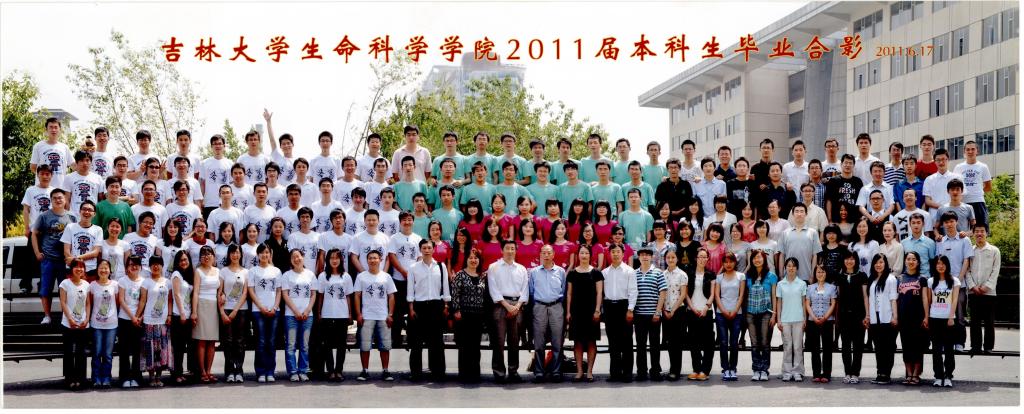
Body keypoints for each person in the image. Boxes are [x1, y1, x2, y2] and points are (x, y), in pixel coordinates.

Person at [406, 239, 451, 382]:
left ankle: (438, 372)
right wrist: (411, 308)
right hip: (419, 306)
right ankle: (416, 373)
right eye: (424, 248)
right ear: (420, 249)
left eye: (429, 247)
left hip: (436, 306)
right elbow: (410, 289)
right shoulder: (413, 267)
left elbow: (445, 287)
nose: (427, 250)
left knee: (436, 342)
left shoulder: (441, 266)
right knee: (416, 342)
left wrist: (446, 305)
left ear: (433, 249)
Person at [354, 249, 398, 382]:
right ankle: (365, 371)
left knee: (385, 345)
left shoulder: (386, 277)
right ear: (367, 260)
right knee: (365, 345)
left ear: (380, 260)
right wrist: (358, 314)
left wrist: (390, 314)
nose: (373, 260)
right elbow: (357, 296)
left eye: (375, 258)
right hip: (367, 316)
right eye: (370, 258)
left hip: (383, 316)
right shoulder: (361, 276)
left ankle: (385, 370)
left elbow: (391, 296)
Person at [528, 245, 568, 383]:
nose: (546, 255)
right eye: (543, 253)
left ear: (553, 254)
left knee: (557, 341)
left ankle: (556, 371)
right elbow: (531, 291)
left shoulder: (561, 271)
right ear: (540, 255)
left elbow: (564, 290)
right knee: (539, 342)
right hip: (539, 307)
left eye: (549, 252)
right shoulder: (534, 272)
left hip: (556, 306)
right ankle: (539, 372)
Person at [566, 244, 604, 382]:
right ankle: (579, 371)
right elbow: (569, 294)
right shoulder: (572, 273)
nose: (584, 255)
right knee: (578, 342)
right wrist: (568, 312)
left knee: (591, 341)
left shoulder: (596, 273)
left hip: (591, 311)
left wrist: (597, 310)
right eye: (581, 253)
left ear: (590, 255)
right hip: (576, 311)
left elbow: (599, 293)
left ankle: (589, 371)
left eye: (586, 253)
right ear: (578, 255)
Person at [315, 249, 354, 382]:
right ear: (327, 260)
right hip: (327, 314)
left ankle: (339, 370)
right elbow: (320, 296)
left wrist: (350, 313)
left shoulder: (346, 276)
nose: (334, 260)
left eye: (337, 258)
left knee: (341, 345)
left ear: (341, 260)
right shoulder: (323, 276)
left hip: (342, 314)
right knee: (327, 344)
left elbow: (348, 296)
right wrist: (319, 312)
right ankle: (331, 371)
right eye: (331, 258)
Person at [602, 243, 637, 382]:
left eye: (618, 252)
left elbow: (633, 291)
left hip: (624, 306)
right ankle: (615, 372)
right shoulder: (605, 272)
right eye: (613, 252)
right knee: (613, 341)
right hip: (609, 307)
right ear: (609, 254)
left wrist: (630, 309)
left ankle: (627, 373)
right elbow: (602, 292)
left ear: (623, 254)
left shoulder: (629, 271)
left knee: (627, 341)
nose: (615, 254)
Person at [248, 244, 282, 383]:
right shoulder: (253, 271)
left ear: (270, 255)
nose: (264, 255)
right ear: (258, 255)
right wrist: (261, 307)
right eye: (262, 253)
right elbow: (251, 291)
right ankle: (261, 372)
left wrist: (275, 307)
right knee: (261, 342)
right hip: (258, 311)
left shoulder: (276, 271)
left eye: (267, 252)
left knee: (271, 342)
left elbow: (279, 291)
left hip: (274, 311)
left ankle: (270, 371)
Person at [138, 256, 173, 387]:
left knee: (162, 349)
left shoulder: (167, 282)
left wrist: (169, 315)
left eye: (158, 264)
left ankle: (159, 376)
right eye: (153, 264)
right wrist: (138, 316)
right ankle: (151, 377)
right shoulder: (146, 282)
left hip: (163, 321)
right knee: (150, 349)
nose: (156, 266)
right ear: (150, 266)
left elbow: (170, 300)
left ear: (162, 266)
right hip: (149, 321)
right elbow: (142, 301)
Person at [836, 250, 869, 384]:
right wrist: (837, 317)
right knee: (845, 346)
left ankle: (855, 373)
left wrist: (867, 315)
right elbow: (838, 298)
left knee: (858, 346)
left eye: (852, 259)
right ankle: (847, 372)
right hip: (844, 315)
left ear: (856, 261)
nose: (849, 261)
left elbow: (865, 296)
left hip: (859, 315)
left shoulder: (862, 275)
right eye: (847, 259)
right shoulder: (840, 276)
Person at [897, 251, 928, 386]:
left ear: (918, 262)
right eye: (908, 259)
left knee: (918, 347)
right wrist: (895, 316)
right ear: (905, 261)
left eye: (914, 259)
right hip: (903, 317)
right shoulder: (900, 278)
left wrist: (926, 316)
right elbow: (896, 299)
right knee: (906, 346)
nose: (911, 261)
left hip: (918, 317)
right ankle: (909, 374)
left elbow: (925, 298)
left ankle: (916, 374)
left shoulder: (922, 279)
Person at [745, 251, 777, 382]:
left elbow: (774, 296)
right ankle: (756, 370)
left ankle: (764, 370)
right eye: (754, 258)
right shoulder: (748, 276)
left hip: (766, 313)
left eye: (759, 257)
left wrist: (774, 315)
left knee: (765, 343)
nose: (756, 260)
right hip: (750, 312)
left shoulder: (771, 276)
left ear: (764, 259)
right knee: (754, 344)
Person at [967, 224, 1000, 355]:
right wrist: (972, 286)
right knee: (974, 320)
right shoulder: (970, 250)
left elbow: (995, 270)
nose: (979, 234)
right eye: (977, 231)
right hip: (973, 291)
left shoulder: (994, 250)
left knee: (989, 321)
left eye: (982, 231)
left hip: (989, 292)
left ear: (987, 233)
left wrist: (987, 286)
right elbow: (967, 270)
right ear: (973, 233)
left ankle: (988, 346)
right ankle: (975, 346)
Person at [59, 259, 91, 390]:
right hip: (68, 324)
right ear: (71, 269)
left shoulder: (86, 284)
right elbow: (63, 302)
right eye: (76, 267)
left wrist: (87, 319)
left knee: (81, 352)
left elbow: (88, 303)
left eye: (82, 267)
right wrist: (70, 319)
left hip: (83, 324)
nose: (79, 269)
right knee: (68, 352)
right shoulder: (65, 283)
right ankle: (69, 379)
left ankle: (80, 379)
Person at [191, 246, 221, 384]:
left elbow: (220, 290)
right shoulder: (198, 271)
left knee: (212, 341)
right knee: (202, 340)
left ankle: (209, 370)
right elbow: (196, 292)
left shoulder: (218, 271)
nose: (206, 256)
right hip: (202, 305)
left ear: (213, 256)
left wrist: (222, 295)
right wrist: (194, 312)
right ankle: (202, 371)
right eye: (203, 254)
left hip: (214, 307)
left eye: (209, 254)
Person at [219, 244, 249, 383]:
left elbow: (245, 293)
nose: (235, 255)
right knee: (228, 341)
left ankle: (239, 371)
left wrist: (236, 310)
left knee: (240, 341)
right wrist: (222, 313)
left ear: (241, 254)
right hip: (226, 309)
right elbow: (219, 293)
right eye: (232, 253)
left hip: (241, 310)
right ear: (229, 255)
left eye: (237, 252)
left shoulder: (246, 272)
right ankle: (229, 371)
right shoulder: (223, 271)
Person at [713, 252, 745, 381]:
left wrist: (735, 310)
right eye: (725, 262)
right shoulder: (719, 277)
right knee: (723, 342)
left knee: (734, 343)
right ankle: (725, 369)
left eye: (731, 261)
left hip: (737, 314)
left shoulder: (741, 276)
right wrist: (724, 311)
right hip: (721, 314)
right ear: (723, 263)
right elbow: (717, 296)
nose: (728, 264)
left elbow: (741, 295)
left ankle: (733, 368)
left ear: (735, 262)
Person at [868, 254, 899, 385]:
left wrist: (895, 317)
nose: (878, 265)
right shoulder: (872, 279)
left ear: (885, 264)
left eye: (881, 262)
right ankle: (879, 373)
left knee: (888, 348)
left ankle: (886, 374)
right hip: (875, 318)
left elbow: (893, 299)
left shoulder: (891, 279)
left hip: (887, 318)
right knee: (878, 347)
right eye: (876, 262)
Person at [929, 255, 960, 387]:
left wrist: (951, 317)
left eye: (943, 263)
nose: (940, 266)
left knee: (948, 349)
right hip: (934, 318)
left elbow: (955, 299)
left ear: (947, 265)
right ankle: (938, 376)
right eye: (938, 263)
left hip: (948, 319)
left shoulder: (954, 281)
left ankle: (948, 376)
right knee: (936, 349)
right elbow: (929, 300)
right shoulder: (931, 281)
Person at [804, 265, 837, 383]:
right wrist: (813, 317)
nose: (820, 274)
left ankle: (827, 374)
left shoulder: (832, 287)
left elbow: (833, 304)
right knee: (815, 348)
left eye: (822, 272)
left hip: (827, 321)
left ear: (826, 273)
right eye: (818, 272)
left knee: (827, 348)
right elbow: (807, 304)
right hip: (813, 321)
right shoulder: (810, 287)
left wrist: (825, 317)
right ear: (815, 273)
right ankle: (816, 373)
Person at [686, 248, 715, 381]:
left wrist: (706, 307)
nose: (702, 259)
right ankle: (696, 369)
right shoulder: (689, 273)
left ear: (708, 259)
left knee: (708, 342)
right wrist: (692, 307)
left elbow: (713, 294)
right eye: (700, 257)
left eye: (705, 257)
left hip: (706, 312)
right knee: (694, 342)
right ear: (696, 258)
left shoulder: (711, 274)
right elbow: (685, 293)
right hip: (692, 311)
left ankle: (705, 370)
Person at [775, 257, 806, 382]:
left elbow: (803, 303)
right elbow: (779, 302)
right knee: (787, 346)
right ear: (785, 268)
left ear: (797, 268)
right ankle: (787, 372)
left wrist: (804, 319)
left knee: (798, 346)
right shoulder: (780, 284)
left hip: (798, 319)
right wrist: (778, 319)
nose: (791, 268)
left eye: (793, 266)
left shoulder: (802, 284)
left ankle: (798, 371)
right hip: (785, 320)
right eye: (788, 266)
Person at [89, 260, 118, 388]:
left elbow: (117, 303)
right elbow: (90, 304)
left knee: (107, 355)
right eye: (101, 268)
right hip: (96, 325)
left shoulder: (115, 285)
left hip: (112, 325)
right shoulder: (92, 285)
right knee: (97, 353)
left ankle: (106, 378)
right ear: (97, 270)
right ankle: (96, 378)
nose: (103, 270)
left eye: (106, 268)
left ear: (110, 271)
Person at [168, 250, 195, 385]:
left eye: (186, 259)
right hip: (179, 316)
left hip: (188, 315)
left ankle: (186, 372)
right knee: (178, 347)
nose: (184, 262)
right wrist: (182, 313)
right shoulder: (176, 274)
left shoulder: (189, 275)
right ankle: (177, 374)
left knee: (187, 345)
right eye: (181, 260)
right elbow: (177, 295)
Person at [117, 255, 145, 388]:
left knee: (137, 350)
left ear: (140, 266)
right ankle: (124, 378)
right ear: (127, 267)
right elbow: (121, 300)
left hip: (139, 320)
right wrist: (132, 317)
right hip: (124, 319)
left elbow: (144, 301)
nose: (134, 267)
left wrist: (138, 316)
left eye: (136, 264)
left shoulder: (144, 281)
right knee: (124, 350)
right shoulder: (122, 281)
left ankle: (136, 377)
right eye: (131, 264)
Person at [952, 140, 992, 232]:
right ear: (964, 151)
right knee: (962, 231)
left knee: (981, 231)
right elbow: (954, 186)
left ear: (977, 151)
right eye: (968, 149)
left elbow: (988, 187)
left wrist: (977, 191)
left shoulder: (983, 167)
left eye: (973, 149)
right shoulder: (958, 167)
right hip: (963, 202)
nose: (970, 151)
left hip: (978, 202)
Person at [779, 203, 821, 282]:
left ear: (806, 214)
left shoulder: (813, 232)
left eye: (802, 211)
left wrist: (812, 275)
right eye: (797, 211)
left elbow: (815, 256)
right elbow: (782, 255)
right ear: (792, 214)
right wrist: (781, 275)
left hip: (807, 276)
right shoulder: (785, 233)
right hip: (788, 276)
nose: (799, 214)